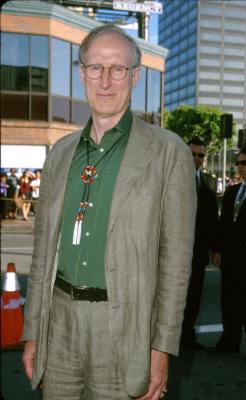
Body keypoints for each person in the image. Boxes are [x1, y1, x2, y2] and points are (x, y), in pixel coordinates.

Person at [22, 24, 197, 400]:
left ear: (134, 76)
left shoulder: (169, 152)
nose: (105, 80)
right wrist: (34, 331)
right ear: (81, 72)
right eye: (95, 68)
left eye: (117, 69)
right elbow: (41, 254)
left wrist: (161, 348)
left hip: (125, 329)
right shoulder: (60, 154)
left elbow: (176, 264)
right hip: (60, 325)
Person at [208, 147, 246, 368]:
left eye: (244, 163)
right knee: (230, 303)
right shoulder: (233, 192)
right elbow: (224, 224)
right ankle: (229, 342)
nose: (239, 166)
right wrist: (217, 249)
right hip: (231, 259)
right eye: (238, 163)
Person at [180, 138, 219, 350]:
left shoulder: (209, 182)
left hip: (198, 253)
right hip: (173, 254)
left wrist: (216, 248)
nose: (196, 158)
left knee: (194, 297)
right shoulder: (171, 178)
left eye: (200, 155)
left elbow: (212, 219)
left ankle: (187, 337)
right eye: (192, 154)